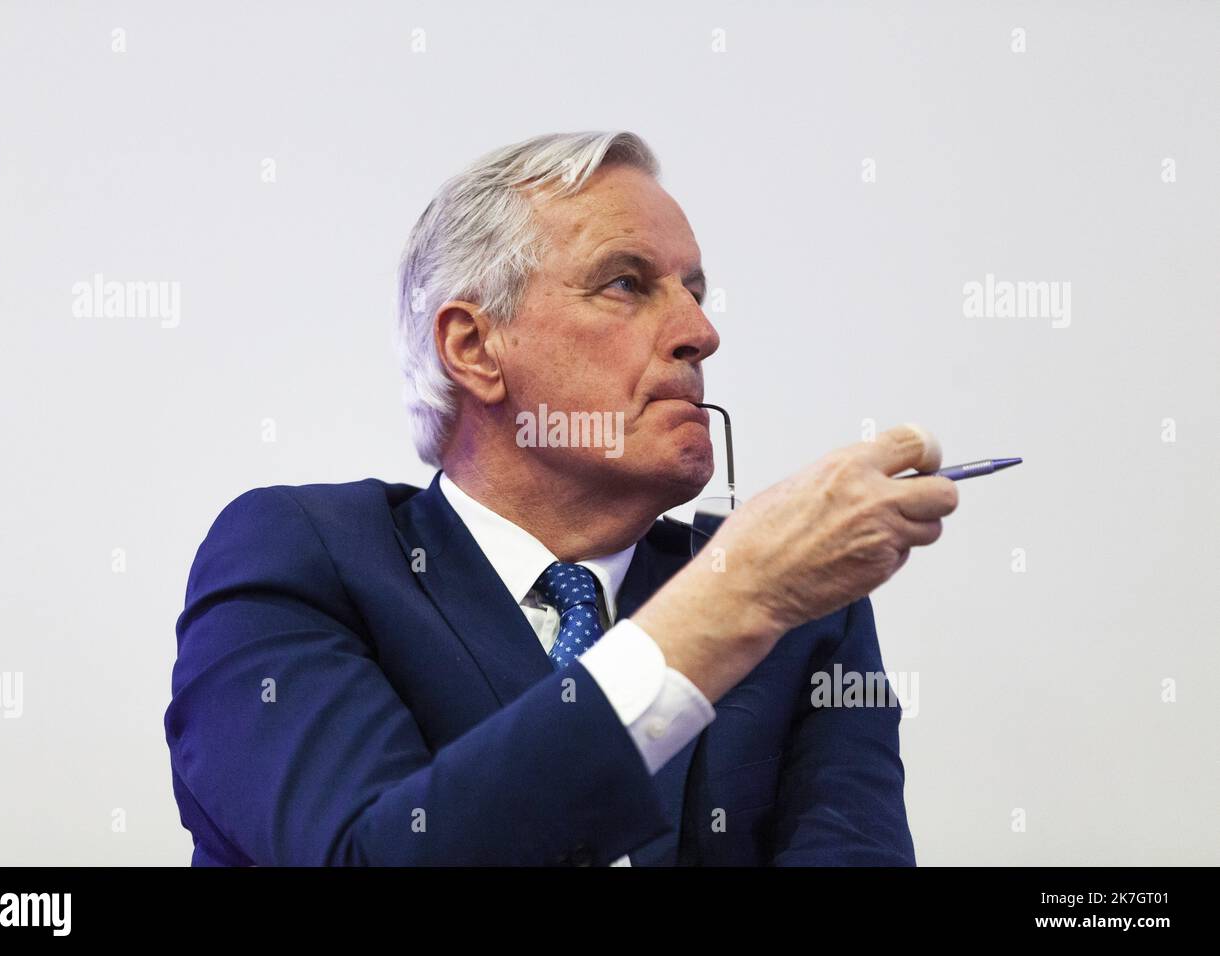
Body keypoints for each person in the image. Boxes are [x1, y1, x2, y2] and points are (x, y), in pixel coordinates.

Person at [163, 131, 958, 866]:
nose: (700, 333)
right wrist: (736, 596)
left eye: (696, 291)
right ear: (475, 348)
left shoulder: (809, 615)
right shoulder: (304, 555)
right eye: (626, 283)